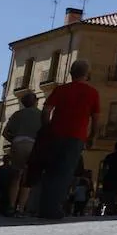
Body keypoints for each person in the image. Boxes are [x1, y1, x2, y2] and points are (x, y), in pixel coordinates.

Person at [37, 60, 100, 220]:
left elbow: (46, 112)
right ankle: (54, 208)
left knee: (50, 171)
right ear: (87, 74)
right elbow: (96, 118)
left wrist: (47, 128)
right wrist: (92, 136)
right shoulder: (93, 93)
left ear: (71, 73)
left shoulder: (60, 90)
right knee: (65, 172)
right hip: (76, 137)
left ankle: (43, 207)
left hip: (56, 135)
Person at [2, 92, 44, 214]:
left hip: (18, 144)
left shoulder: (17, 114)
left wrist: (14, 140)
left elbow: (5, 133)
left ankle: (10, 206)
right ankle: (20, 208)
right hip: (33, 145)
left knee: (16, 177)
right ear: (35, 101)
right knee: (27, 179)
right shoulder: (40, 115)